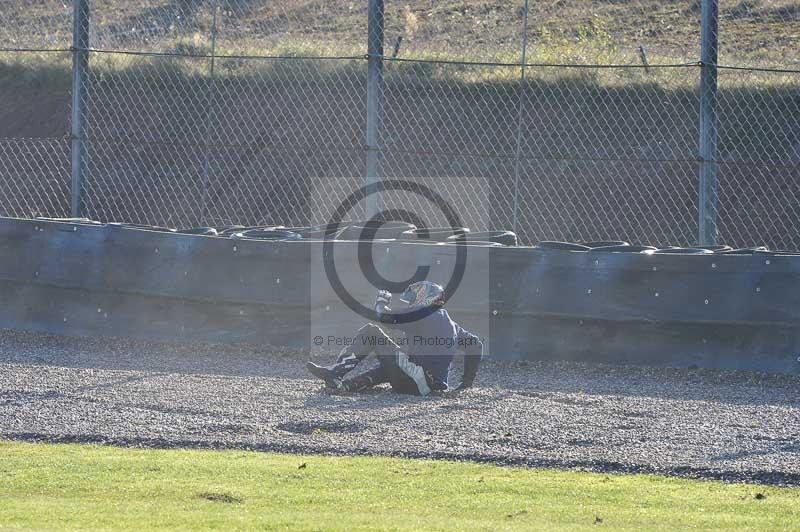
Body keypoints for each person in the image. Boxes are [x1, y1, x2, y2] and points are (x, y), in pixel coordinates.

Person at [306, 281, 483, 395]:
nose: (413, 303)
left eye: (417, 298)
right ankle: (348, 386)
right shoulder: (450, 323)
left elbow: (384, 317)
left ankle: (335, 373)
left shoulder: (425, 315)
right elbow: (476, 345)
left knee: (371, 332)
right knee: (395, 361)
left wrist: (381, 301)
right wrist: (465, 384)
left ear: (428, 298)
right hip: (428, 384)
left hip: (419, 380)